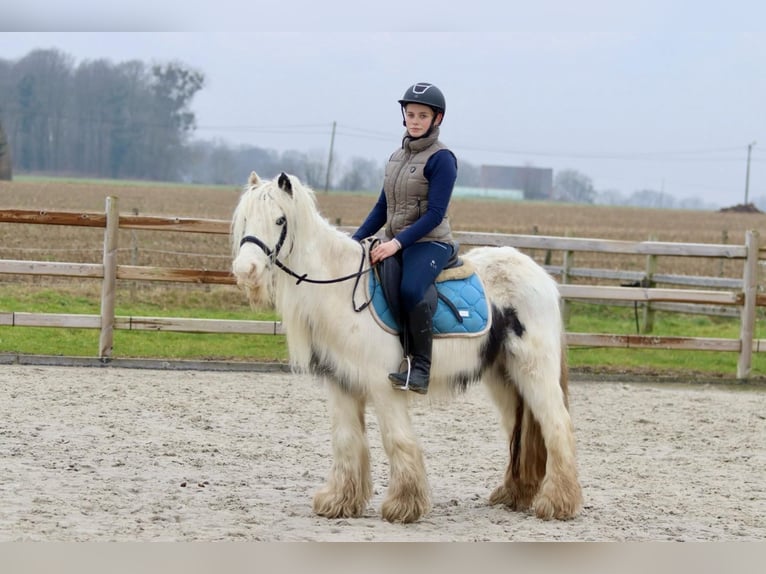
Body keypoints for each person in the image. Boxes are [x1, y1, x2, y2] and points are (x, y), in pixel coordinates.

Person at [352, 82, 458, 395]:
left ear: (436, 119)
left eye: (422, 115)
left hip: (431, 242)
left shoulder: (443, 159)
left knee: (411, 289)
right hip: (395, 241)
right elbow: (383, 207)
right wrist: (353, 240)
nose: (414, 120)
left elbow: (434, 215)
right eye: (410, 114)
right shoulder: (396, 157)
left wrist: (395, 244)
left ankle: (421, 367)